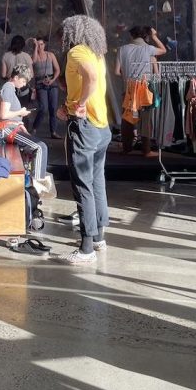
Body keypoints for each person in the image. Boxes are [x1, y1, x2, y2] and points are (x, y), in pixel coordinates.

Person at [54, 15, 112, 265]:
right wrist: (69, 105)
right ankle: (98, 237)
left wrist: (79, 104)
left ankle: (86, 248)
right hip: (101, 128)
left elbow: (91, 79)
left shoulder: (77, 52)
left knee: (83, 185)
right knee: (97, 182)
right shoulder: (97, 53)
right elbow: (90, 82)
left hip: (84, 128)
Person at [114, 26, 167, 156]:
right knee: (145, 120)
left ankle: (127, 148)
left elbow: (116, 71)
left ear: (132, 36)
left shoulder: (122, 49)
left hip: (128, 88)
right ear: (145, 37)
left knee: (127, 119)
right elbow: (163, 50)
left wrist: (127, 76)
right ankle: (146, 150)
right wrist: (154, 36)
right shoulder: (148, 49)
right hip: (144, 88)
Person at [0, 64, 49, 187]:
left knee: (36, 147)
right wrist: (21, 112)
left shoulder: (10, 89)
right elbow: (4, 114)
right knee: (40, 148)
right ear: (16, 77)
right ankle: (38, 185)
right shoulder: (8, 88)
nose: (24, 85)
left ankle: (30, 181)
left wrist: (20, 123)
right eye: (23, 81)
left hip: (10, 127)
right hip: (6, 129)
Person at [31, 35, 62, 138]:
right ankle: (34, 129)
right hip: (40, 84)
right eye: (38, 45)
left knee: (53, 108)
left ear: (45, 45)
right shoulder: (34, 56)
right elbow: (33, 62)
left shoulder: (51, 55)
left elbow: (57, 70)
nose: (40, 47)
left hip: (52, 84)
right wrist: (35, 47)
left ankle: (53, 132)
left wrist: (52, 79)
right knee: (43, 108)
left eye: (41, 44)